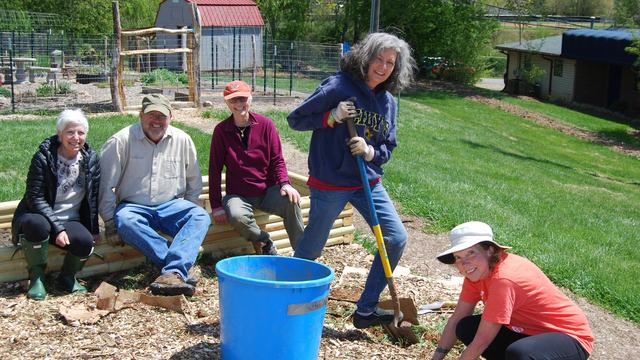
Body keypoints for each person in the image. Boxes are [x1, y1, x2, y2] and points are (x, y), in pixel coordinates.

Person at [287, 32, 416, 329]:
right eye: (378, 59)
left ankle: (366, 310)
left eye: (390, 63)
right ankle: (287, 300)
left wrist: (371, 152)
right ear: (365, 58)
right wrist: (331, 116)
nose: (383, 67)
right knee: (312, 247)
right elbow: (296, 120)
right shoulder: (339, 86)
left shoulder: (388, 102)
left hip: (367, 182)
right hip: (331, 182)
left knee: (396, 239)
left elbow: (388, 147)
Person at [99, 94, 210, 297]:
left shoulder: (183, 140)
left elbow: (194, 181)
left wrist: (191, 205)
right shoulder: (120, 141)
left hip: (171, 205)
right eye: (151, 115)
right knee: (125, 221)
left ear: (171, 117)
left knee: (200, 216)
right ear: (141, 115)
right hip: (133, 206)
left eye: (162, 116)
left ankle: (173, 271)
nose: (156, 121)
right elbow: (105, 186)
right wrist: (109, 221)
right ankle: (177, 268)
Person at [431, 221, 594, 360]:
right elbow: (458, 316)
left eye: (471, 253)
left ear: (490, 250)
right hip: (525, 331)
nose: (464, 264)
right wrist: (437, 357)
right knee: (465, 327)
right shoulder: (476, 274)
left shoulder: (504, 279)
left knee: (521, 353)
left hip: (569, 338)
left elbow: (483, 340)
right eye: (458, 257)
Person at [12, 109, 100, 300]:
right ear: (60, 134)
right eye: (70, 132)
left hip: (70, 218)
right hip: (39, 214)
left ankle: (67, 277)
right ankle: (37, 277)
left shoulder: (91, 159)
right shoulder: (43, 158)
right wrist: (58, 228)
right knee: (37, 225)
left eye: (81, 133)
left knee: (85, 242)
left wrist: (94, 230)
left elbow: (92, 198)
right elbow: (34, 198)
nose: (76, 137)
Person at [209, 80, 304, 255]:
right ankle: (264, 240)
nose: (239, 104)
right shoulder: (221, 131)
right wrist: (216, 205)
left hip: (267, 190)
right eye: (233, 100)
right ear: (227, 103)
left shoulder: (266, 125)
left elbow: (277, 159)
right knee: (237, 216)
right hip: (238, 194)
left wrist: (285, 183)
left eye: (242, 99)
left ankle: (303, 253)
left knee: (292, 201)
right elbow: (214, 170)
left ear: (250, 99)